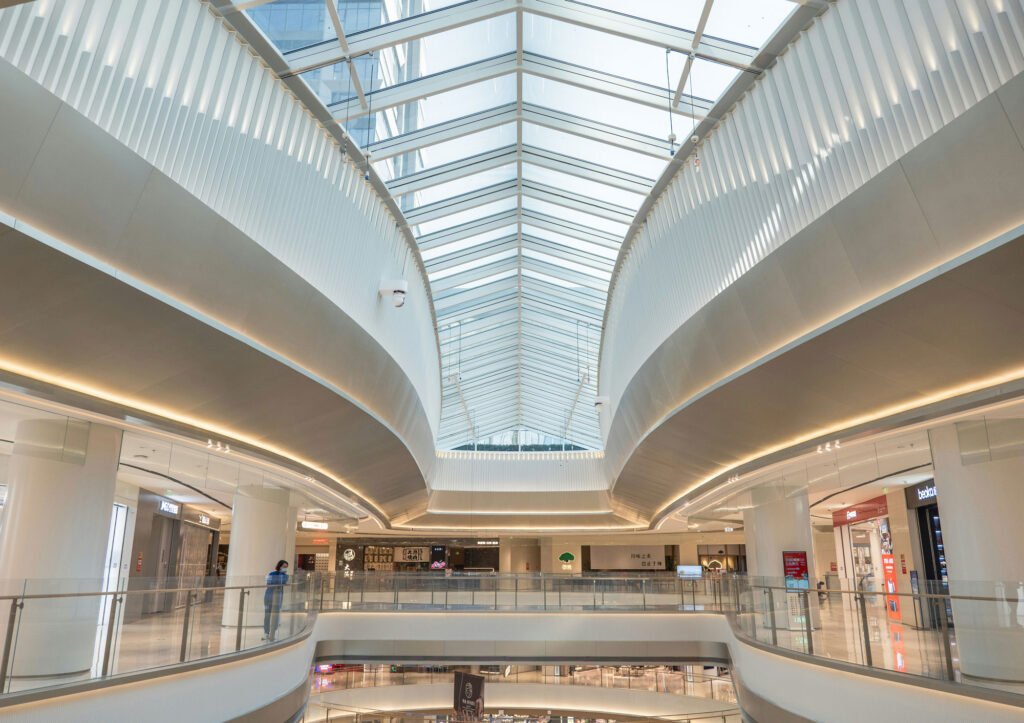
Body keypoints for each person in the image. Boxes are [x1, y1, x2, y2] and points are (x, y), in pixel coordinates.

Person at [263, 559, 289, 641]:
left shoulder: (285, 576)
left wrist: (282, 573)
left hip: (278, 597)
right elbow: (269, 583)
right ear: (279, 566)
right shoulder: (271, 573)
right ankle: (266, 632)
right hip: (268, 597)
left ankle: (273, 632)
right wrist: (280, 574)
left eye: (286, 567)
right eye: (283, 566)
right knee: (267, 615)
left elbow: (283, 582)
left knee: (276, 616)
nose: (285, 568)